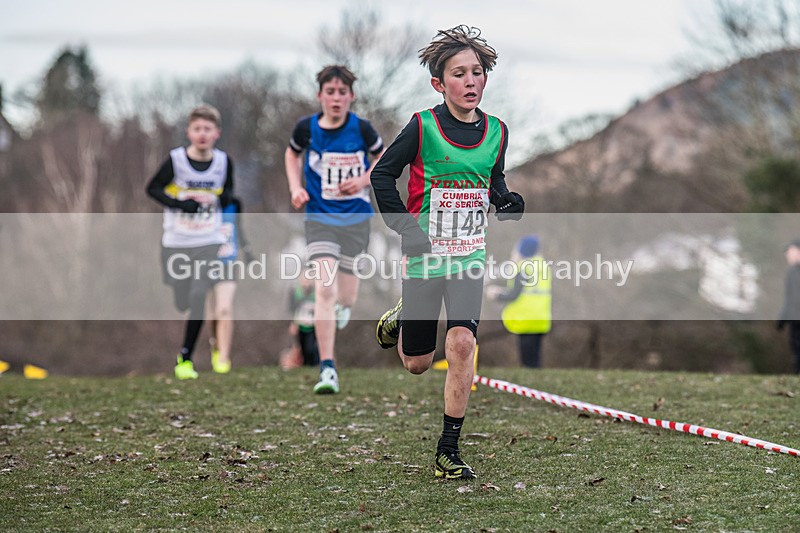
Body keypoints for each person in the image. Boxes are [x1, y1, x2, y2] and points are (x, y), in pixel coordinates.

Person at [370, 25, 525, 479]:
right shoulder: (423, 126)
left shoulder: (497, 131)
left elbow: (492, 184)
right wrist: (406, 229)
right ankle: (401, 316)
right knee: (417, 363)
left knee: (461, 343)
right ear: (440, 83)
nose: (471, 81)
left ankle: (448, 450)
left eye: (477, 72)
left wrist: (507, 201)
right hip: (424, 257)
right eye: (460, 73)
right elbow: (383, 177)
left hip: (469, 257)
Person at [285, 65, 386, 394]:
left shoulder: (363, 129)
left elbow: (381, 158)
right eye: (330, 92)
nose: (336, 98)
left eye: (342, 92)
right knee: (324, 290)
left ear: (351, 96)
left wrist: (363, 179)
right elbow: (291, 154)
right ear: (320, 96)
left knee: (346, 295)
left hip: (356, 220)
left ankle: (343, 308)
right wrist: (295, 188)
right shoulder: (307, 129)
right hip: (320, 220)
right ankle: (328, 369)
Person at [146, 104, 233, 380]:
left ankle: (185, 358)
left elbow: (229, 193)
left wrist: (218, 200)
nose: (202, 134)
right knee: (182, 298)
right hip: (176, 241)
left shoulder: (223, 162)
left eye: (208, 129)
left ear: (216, 133)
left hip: (208, 239)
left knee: (198, 295)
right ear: (189, 132)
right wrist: (180, 204)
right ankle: (179, 295)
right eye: (197, 129)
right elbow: (152, 188)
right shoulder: (176, 161)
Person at [206, 196, 255, 374]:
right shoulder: (202, 202)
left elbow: (238, 228)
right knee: (211, 315)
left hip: (228, 263)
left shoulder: (234, 203)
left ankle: (223, 358)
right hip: (204, 263)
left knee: (224, 309)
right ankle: (215, 343)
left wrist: (247, 251)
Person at [487, 235, 552, 368]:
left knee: (528, 361)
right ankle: (536, 382)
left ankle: (532, 384)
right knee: (535, 357)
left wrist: (496, 294)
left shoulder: (524, 269)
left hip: (526, 319)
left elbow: (514, 294)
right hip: (541, 318)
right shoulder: (542, 266)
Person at [280, 270, 320, 370]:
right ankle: (298, 365)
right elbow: (291, 309)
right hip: (300, 324)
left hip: (314, 325)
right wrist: (294, 323)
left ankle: (314, 365)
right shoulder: (295, 292)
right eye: (304, 278)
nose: (306, 281)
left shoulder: (317, 292)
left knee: (312, 347)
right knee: (299, 347)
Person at [777, 238, 800, 374]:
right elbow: (790, 299)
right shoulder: (791, 273)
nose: (788, 255)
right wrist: (783, 317)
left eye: (790, 251)